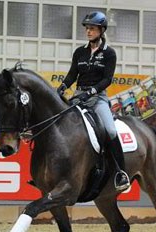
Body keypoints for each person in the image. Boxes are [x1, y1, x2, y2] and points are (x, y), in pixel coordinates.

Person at [57, 11, 130, 191]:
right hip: (78, 96)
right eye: (87, 29)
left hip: (98, 99)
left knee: (111, 131)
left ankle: (121, 173)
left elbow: (107, 79)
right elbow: (73, 74)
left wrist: (90, 92)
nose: (88, 32)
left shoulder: (109, 54)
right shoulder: (79, 52)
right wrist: (63, 86)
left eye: (92, 29)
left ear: (101, 30)